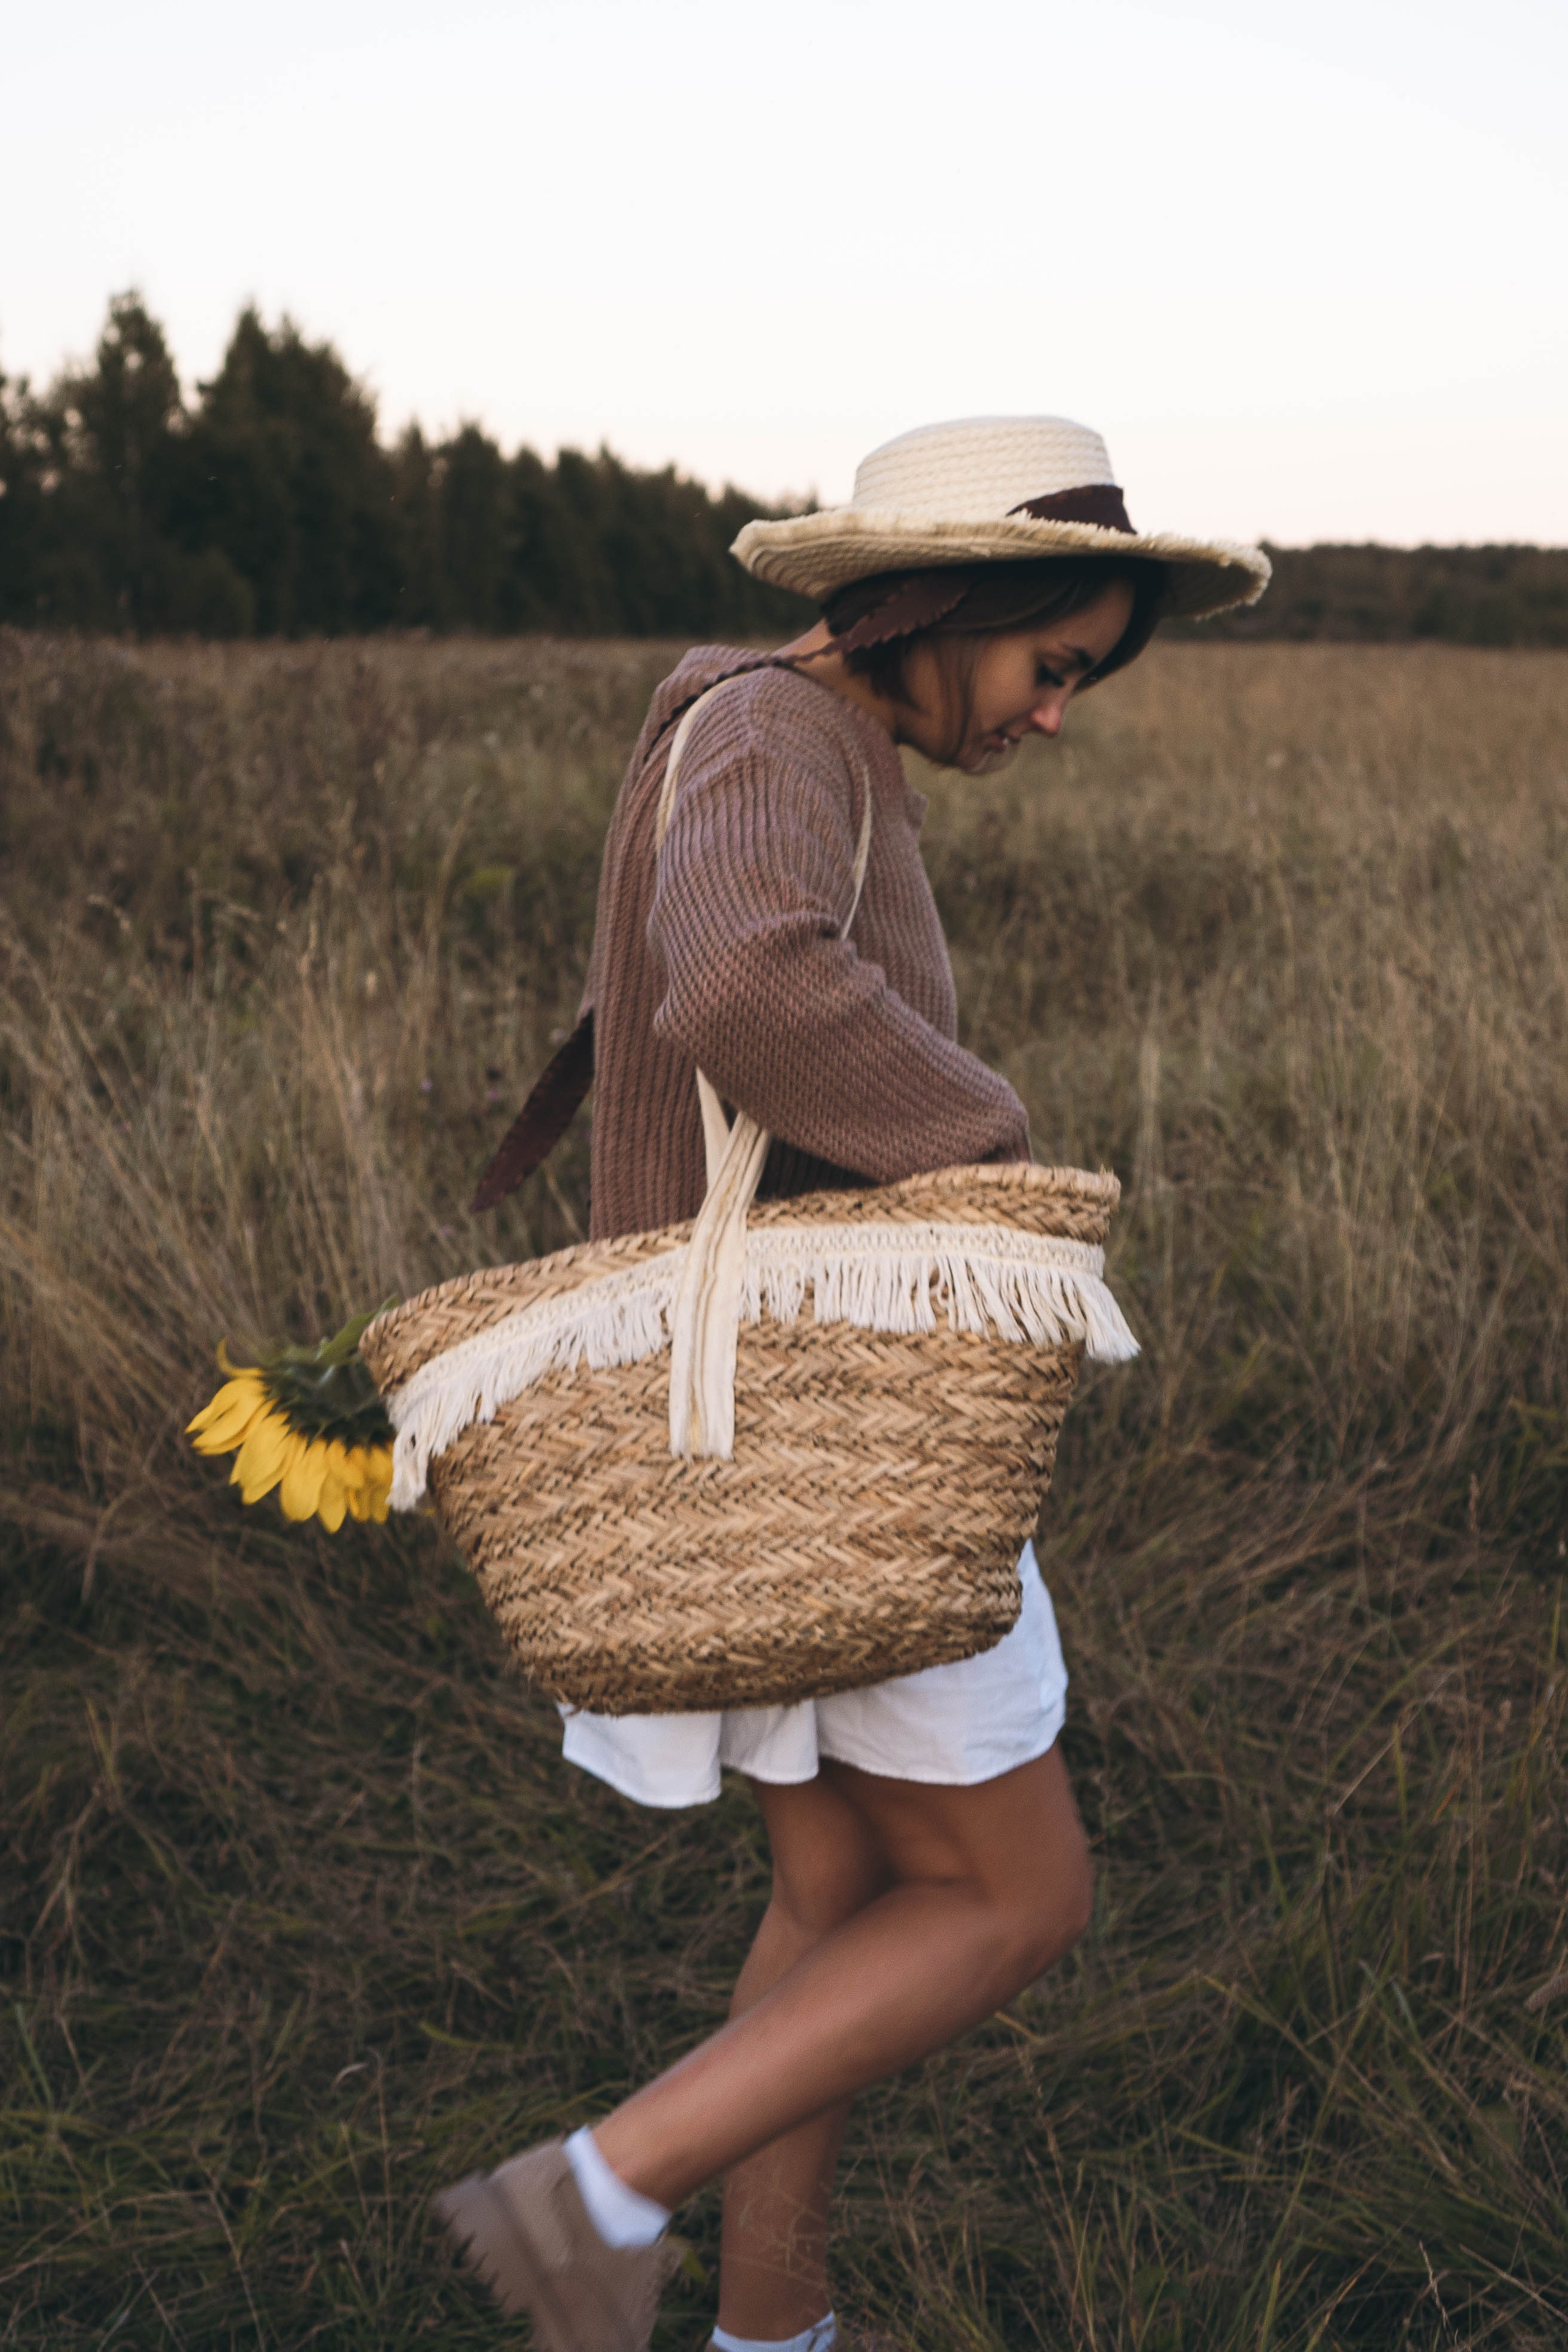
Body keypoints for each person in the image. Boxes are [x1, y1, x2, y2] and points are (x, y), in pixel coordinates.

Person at [434, 417, 1269, 2352]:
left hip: (775, 1408)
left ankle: (768, 2336)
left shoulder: (794, 740)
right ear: (945, 605)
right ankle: (594, 2195)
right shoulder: (782, 735)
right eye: (1053, 664)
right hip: (834, 1416)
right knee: (1016, 1898)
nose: (1059, 716)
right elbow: (734, 981)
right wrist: (987, 1148)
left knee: (835, 1901)